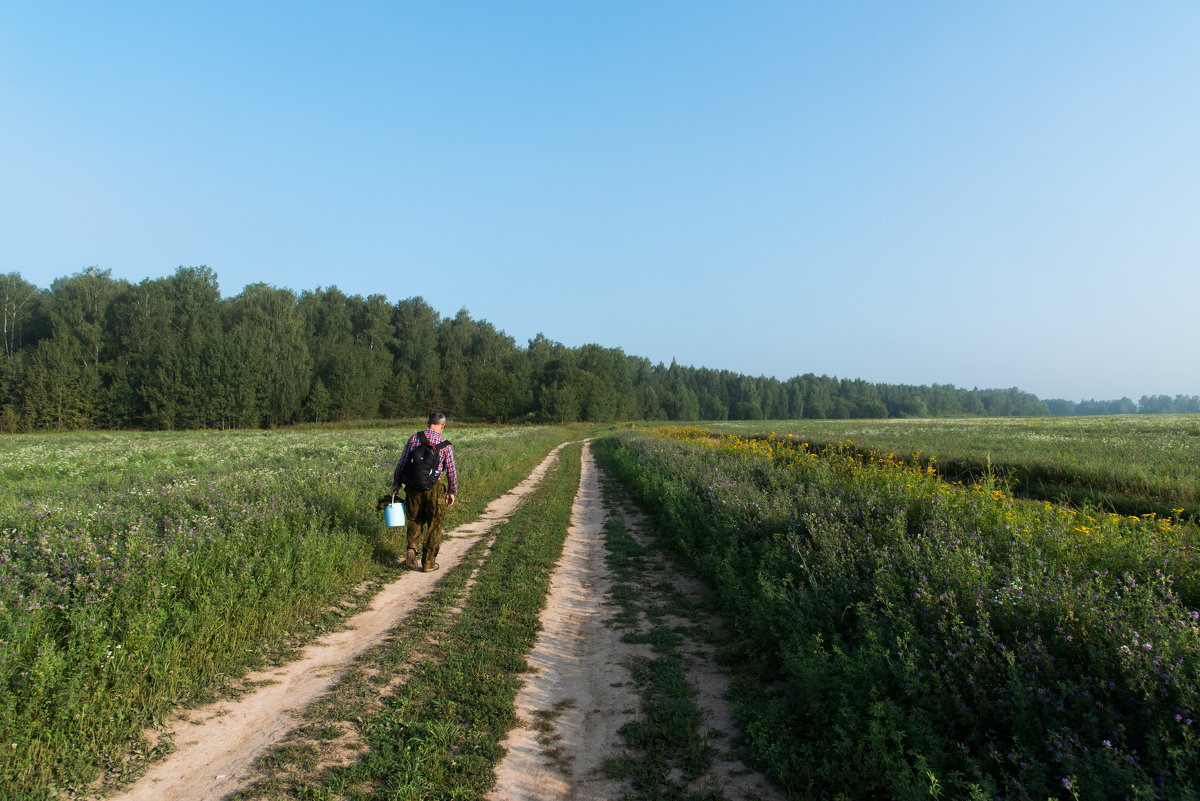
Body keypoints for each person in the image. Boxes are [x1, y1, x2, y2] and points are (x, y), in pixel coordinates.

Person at [391, 412, 458, 572]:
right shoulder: (444, 444)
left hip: (413, 487)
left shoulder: (414, 439)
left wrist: (396, 482)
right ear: (442, 425)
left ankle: (412, 548)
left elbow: (402, 462)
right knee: (434, 524)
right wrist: (451, 490)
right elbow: (451, 470)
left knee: (414, 519)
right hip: (435, 488)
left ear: (428, 423)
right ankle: (428, 563)